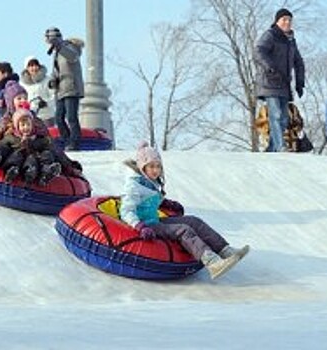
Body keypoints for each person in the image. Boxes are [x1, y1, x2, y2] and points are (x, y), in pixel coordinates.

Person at [119, 142, 249, 280]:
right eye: (151, 166)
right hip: (145, 226)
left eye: (158, 166)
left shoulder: (151, 182)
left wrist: (167, 203)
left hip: (154, 220)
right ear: (142, 167)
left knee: (193, 221)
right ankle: (212, 263)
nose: (155, 170)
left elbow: (149, 201)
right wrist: (140, 226)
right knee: (183, 229)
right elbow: (126, 211)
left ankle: (226, 251)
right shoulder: (133, 185)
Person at [253, 8, 305, 152]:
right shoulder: (270, 35)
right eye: (284, 20)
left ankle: (272, 149)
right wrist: (270, 68)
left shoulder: (291, 41)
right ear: (277, 21)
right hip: (269, 82)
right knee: (275, 115)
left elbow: (298, 62)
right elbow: (258, 50)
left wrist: (300, 83)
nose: (287, 22)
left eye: (289, 20)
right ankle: (281, 146)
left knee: (284, 119)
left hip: (283, 83)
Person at [0, 107, 61, 185]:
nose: (26, 127)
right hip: (15, 158)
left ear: (32, 125)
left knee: (43, 155)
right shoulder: (11, 137)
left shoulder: (39, 138)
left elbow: (54, 151)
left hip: (32, 159)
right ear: (17, 127)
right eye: (23, 125)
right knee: (14, 153)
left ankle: (43, 173)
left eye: (28, 124)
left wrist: (69, 166)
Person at [45, 27, 85, 150]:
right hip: (61, 90)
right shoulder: (57, 53)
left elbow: (72, 57)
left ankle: (75, 142)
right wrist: (53, 80)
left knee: (71, 117)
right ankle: (67, 140)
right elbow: (57, 70)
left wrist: (60, 46)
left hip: (71, 87)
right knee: (59, 117)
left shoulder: (71, 47)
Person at [20, 56, 55, 126]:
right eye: (31, 66)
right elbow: (21, 98)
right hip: (30, 116)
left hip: (46, 116)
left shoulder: (48, 79)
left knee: (48, 135)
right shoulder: (22, 83)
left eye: (36, 65)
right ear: (27, 68)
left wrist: (46, 102)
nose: (34, 68)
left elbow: (54, 95)